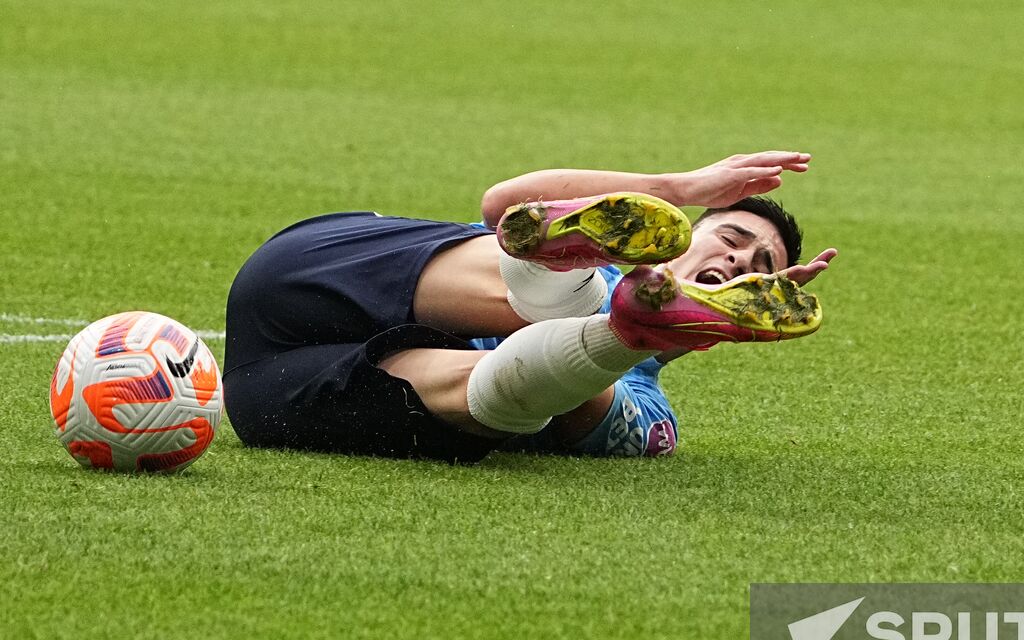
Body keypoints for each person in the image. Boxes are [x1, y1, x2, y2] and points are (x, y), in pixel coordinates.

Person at [223, 152, 838, 463]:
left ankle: (627, 326)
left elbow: (583, 411)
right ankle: (569, 281)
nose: (740, 263)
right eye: (731, 240)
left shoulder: (653, 417)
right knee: (546, 279)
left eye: (760, 272)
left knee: (506, 397)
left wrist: (636, 341)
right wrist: (682, 189)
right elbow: (503, 204)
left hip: (271, 399)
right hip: (319, 272)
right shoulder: (593, 254)